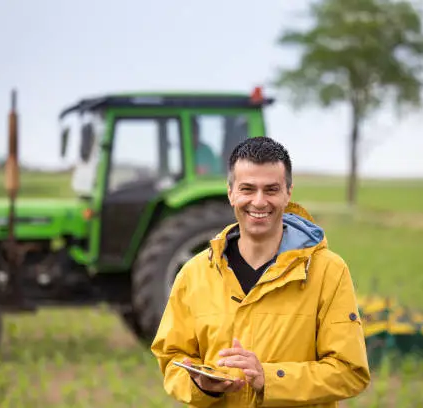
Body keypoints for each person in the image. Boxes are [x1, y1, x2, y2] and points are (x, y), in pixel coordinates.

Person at [151, 136, 371, 407]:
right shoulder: (194, 273)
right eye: (247, 189)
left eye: (271, 189)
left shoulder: (328, 271)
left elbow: (350, 371)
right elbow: (171, 359)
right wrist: (200, 384)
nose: (258, 201)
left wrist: (269, 378)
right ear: (231, 192)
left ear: (288, 192)